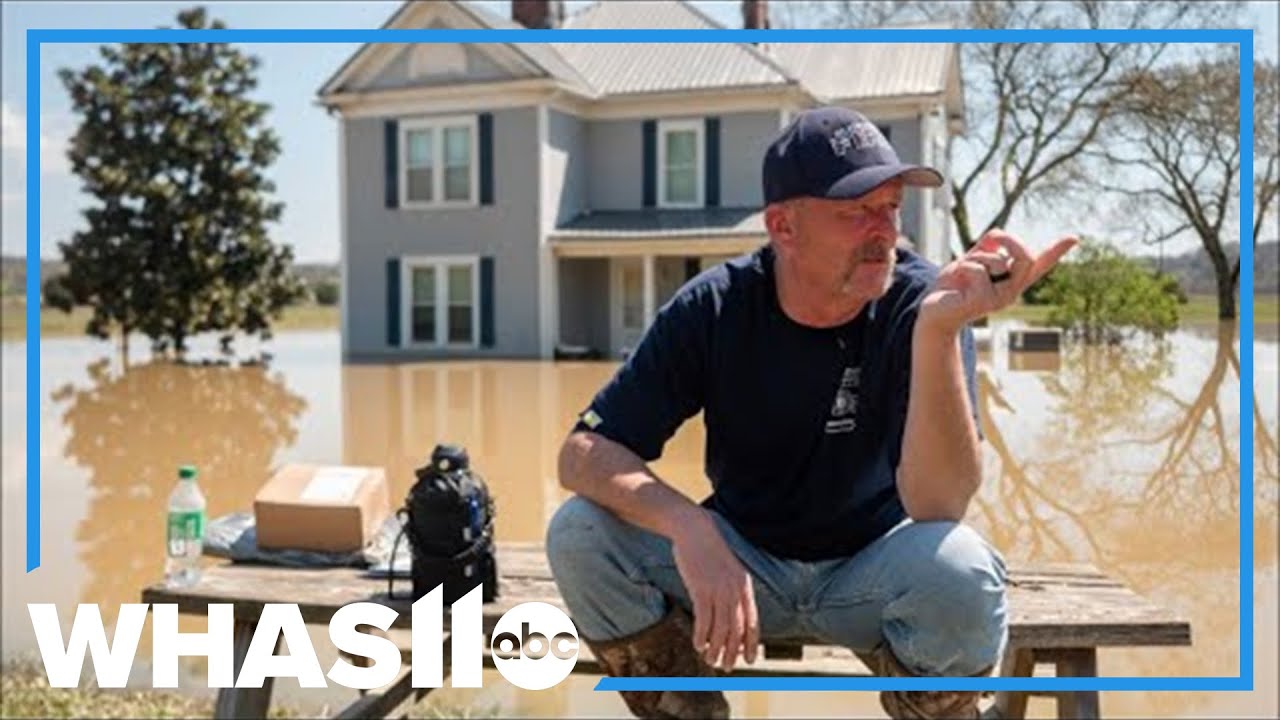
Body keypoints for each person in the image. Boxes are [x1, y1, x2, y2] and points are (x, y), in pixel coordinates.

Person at [545, 106, 1076, 720]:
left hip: (873, 574)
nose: (883, 231)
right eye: (855, 212)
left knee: (963, 567)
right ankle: (686, 708)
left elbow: (941, 506)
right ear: (784, 227)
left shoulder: (927, 302)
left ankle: (924, 700)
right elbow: (582, 453)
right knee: (579, 532)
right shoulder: (715, 307)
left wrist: (936, 332)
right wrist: (688, 526)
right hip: (743, 566)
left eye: (891, 208)